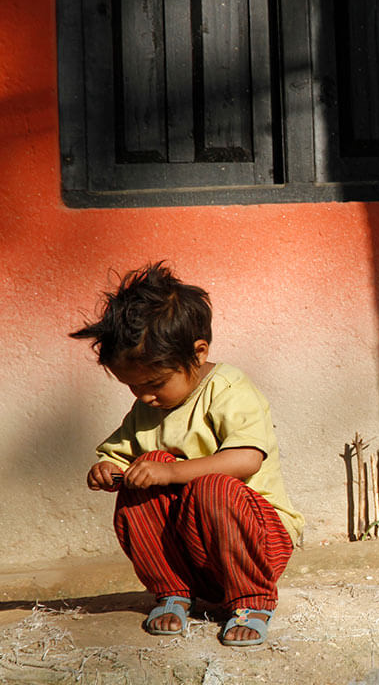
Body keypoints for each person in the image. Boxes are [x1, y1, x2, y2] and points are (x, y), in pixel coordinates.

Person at [71, 262, 304, 646]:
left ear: (198, 354)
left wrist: (171, 474)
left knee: (211, 486)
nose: (144, 396)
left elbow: (246, 459)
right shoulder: (149, 407)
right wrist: (107, 470)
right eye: (133, 387)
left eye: (154, 383)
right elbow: (119, 456)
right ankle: (172, 591)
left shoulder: (229, 389)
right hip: (193, 553)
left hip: (256, 545)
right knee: (147, 468)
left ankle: (252, 601)